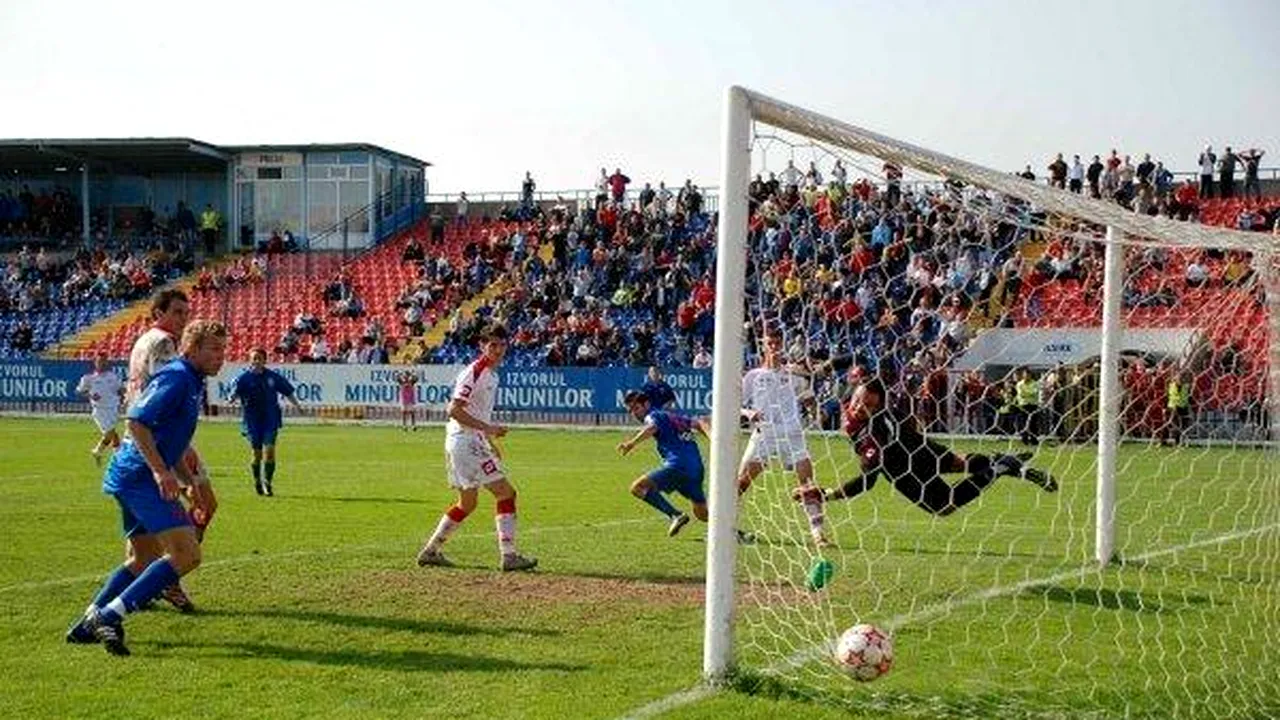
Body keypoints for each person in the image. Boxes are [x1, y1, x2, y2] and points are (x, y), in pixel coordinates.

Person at [65, 320, 228, 656]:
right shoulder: (178, 377)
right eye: (213, 348)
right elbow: (136, 422)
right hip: (139, 476)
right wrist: (159, 472)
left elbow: (172, 441)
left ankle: (85, 626)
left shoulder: (191, 380)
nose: (220, 356)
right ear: (191, 348)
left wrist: (187, 481)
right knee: (186, 553)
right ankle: (109, 616)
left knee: (143, 557)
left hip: (134, 475)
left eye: (223, 349)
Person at [801, 370, 1057, 516]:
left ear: (878, 406)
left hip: (907, 470)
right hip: (921, 447)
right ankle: (1003, 461)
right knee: (960, 463)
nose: (858, 408)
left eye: (867, 405)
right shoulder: (882, 415)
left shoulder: (873, 434)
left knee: (944, 506)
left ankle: (999, 467)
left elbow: (868, 481)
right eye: (858, 401)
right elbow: (907, 422)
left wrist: (828, 494)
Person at [416, 323, 537, 571]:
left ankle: (431, 551)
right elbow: (454, 409)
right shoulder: (477, 371)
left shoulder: (491, 374)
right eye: (492, 345)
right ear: (482, 346)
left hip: (464, 440)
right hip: (465, 440)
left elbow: (473, 411)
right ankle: (509, 555)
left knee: (467, 504)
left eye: (502, 345)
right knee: (506, 493)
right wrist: (489, 430)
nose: (498, 350)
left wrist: (488, 440)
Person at [124, 288, 208, 613]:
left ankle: (139, 576)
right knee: (204, 501)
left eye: (186, 313)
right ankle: (169, 576)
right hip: (161, 435)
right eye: (176, 312)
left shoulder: (141, 340)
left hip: (143, 435)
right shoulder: (163, 343)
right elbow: (164, 391)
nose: (183, 319)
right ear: (158, 313)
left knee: (140, 528)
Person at [738, 332, 827, 547]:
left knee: (807, 485)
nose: (774, 346)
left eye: (778, 343)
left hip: (792, 434)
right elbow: (736, 403)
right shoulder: (753, 375)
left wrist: (816, 412)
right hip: (764, 434)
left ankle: (818, 535)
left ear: (783, 345)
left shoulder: (794, 374)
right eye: (770, 343)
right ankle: (727, 529)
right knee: (740, 483)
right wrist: (748, 414)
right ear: (763, 346)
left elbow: (807, 397)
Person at [616, 390, 709, 536]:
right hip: (696, 469)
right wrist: (713, 439)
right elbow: (698, 424)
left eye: (636, 408)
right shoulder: (672, 416)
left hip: (678, 465)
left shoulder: (652, 415)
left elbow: (652, 427)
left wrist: (631, 443)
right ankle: (735, 534)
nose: (634, 414)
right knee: (702, 513)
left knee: (638, 488)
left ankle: (675, 515)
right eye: (631, 411)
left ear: (646, 404)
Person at [228, 348, 303, 496]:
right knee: (257, 454)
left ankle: (268, 483)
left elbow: (288, 391)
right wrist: (232, 398)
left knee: (270, 450)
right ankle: (257, 480)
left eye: (259, 358)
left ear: (264, 360)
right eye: (254, 358)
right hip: (252, 420)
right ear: (250, 360)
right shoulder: (243, 378)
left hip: (270, 418)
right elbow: (234, 393)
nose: (257, 361)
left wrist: (297, 406)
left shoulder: (272, 377)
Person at [77, 353, 124, 465]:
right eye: (99, 361)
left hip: (113, 408)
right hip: (99, 410)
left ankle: (115, 457)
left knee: (113, 433)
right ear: (95, 363)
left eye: (104, 361)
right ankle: (99, 451)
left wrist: (123, 397)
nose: (102, 363)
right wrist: (90, 395)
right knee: (110, 432)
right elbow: (80, 391)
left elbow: (120, 390)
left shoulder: (113, 376)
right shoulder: (88, 378)